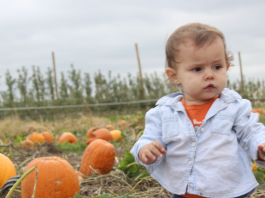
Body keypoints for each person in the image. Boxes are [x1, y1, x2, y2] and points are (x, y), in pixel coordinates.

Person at [130, 22, 265, 198]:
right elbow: (148, 139)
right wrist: (144, 150)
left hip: (228, 191)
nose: (210, 74)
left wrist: (260, 147)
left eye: (217, 67)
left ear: (227, 66)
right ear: (174, 75)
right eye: (197, 69)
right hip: (183, 192)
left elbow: (251, 132)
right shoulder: (164, 113)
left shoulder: (235, 107)